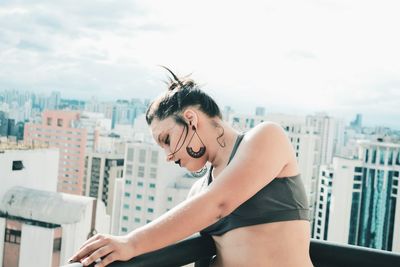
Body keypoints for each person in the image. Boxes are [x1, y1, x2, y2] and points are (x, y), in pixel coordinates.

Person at [68, 68, 314, 267]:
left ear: (191, 119)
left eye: (166, 140)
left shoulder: (266, 137)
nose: (167, 155)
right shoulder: (197, 191)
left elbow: (219, 203)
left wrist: (131, 242)